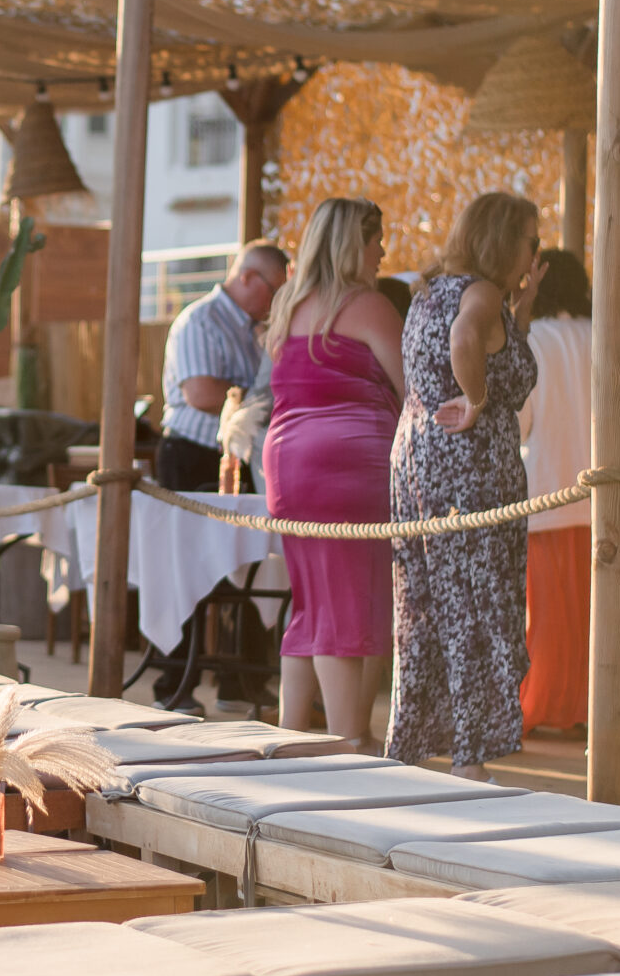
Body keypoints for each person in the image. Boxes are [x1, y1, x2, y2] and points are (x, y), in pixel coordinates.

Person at [387, 195, 547, 773]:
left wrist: (521, 311)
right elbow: (464, 343)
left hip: (420, 457)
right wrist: (477, 401)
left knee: (433, 604)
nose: (537, 252)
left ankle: (420, 746)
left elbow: (484, 345)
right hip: (469, 470)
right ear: (506, 243)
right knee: (478, 604)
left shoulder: (431, 289)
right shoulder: (478, 294)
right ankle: (470, 756)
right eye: (532, 242)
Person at [260, 198, 404, 749]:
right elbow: (412, 388)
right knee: (350, 603)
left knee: (312, 600)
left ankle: (290, 733)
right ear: (352, 246)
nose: (383, 251)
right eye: (376, 240)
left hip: (289, 466)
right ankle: (350, 740)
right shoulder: (368, 306)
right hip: (351, 468)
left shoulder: (289, 305)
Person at [516, 249, 593, 735]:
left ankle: (544, 701)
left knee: (542, 615)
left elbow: (520, 421)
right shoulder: (599, 334)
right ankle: (589, 704)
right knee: (591, 615)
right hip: (597, 496)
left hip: (545, 486)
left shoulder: (531, 340)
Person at [156, 243, 288, 493]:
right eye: (274, 292)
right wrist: (265, 401)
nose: (275, 303)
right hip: (193, 455)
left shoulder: (254, 331)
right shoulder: (201, 321)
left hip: (235, 457)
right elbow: (201, 395)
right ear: (247, 277)